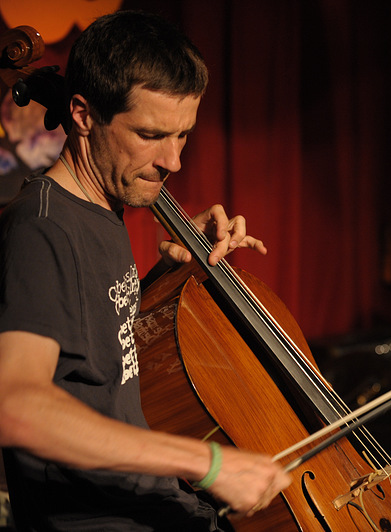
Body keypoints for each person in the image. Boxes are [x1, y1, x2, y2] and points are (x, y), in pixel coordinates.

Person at [0, 11, 291, 531]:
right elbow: (13, 404)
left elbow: (95, 355)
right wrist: (207, 462)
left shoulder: (104, 210)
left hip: (155, 510)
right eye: (152, 134)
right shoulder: (41, 230)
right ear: (84, 115)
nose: (174, 161)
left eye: (183, 136)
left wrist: (165, 273)